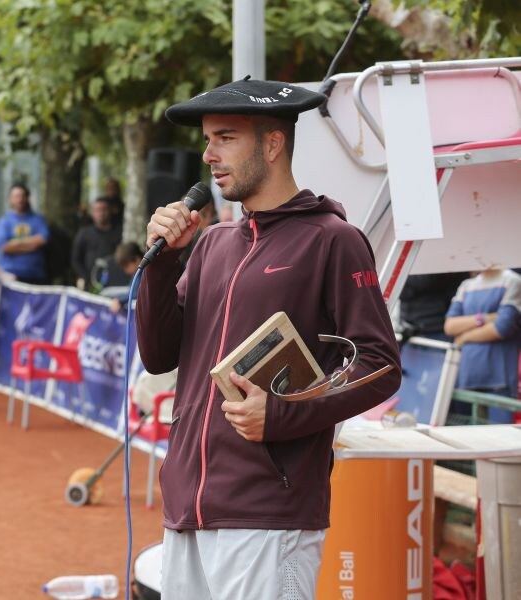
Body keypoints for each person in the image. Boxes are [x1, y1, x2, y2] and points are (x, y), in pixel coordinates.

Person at [136, 78, 401, 599]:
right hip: (187, 507)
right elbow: (158, 354)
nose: (208, 154)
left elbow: (380, 364)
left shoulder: (334, 239)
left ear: (273, 144)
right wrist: (164, 262)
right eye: (208, 139)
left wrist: (281, 415)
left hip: (269, 513)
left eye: (225, 137)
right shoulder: (211, 244)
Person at [444, 267, 521, 423]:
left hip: (499, 379)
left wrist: (464, 336)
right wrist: (485, 318)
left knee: (499, 439)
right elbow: (450, 326)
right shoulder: (466, 285)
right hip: (466, 378)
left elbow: (502, 327)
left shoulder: (512, 281)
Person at [0, 183, 50, 284]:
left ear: (27, 197)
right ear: (10, 199)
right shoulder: (4, 221)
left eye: (22, 196)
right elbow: (4, 246)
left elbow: (42, 240)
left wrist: (15, 243)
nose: (19, 200)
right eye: (16, 196)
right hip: (11, 275)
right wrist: (32, 244)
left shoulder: (38, 219)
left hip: (35, 275)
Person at [71, 196, 122, 291]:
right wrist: (86, 277)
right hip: (89, 284)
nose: (101, 213)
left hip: (114, 285)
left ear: (110, 211)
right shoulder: (84, 233)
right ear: (92, 213)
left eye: (104, 210)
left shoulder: (120, 233)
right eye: (97, 210)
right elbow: (76, 259)